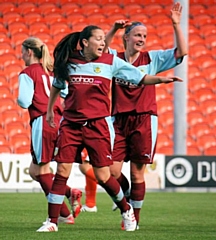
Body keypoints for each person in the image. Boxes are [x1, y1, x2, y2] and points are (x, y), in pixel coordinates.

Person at [35, 25, 183, 232]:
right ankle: (51, 221)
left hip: (98, 125)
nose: (103, 43)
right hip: (71, 124)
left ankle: (126, 209)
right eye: (98, 39)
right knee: (61, 171)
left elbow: (140, 77)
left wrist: (161, 79)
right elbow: (58, 85)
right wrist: (51, 109)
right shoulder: (69, 60)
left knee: (104, 175)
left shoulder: (110, 61)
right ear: (85, 42)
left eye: (104, 40)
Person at [104, 2, 188, 229]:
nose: (142, 39)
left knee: (137, 171)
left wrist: (176, 25)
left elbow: (182, 52)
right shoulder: (115, 58)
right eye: (137, 35)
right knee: (110, 171)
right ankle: (128, 194)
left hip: (144, 118)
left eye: (145, 36)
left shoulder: (153, 59)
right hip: (119, 119)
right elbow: (100, 50)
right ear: (127, 38)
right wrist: (113, 29)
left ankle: (133, 219)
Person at [17, 37, 82, 224]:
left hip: (42, 121)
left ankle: (64, 214)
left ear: (29, 52)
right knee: (34, 170)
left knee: (41, 170)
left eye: (22, 51)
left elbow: (24, 101)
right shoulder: (51, 72)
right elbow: (64, 92)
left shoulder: (28, 73)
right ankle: (70, 193)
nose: (21, 55)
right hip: (59, 120)